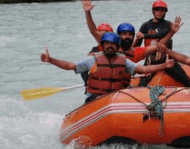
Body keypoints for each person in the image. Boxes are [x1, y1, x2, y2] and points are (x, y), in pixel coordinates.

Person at [40, 32, 174, 103]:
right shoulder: (92, 59)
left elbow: (143, 70)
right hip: (95, 98)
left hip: (116, 98)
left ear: (117, 47)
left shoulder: (123, 61)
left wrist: (164, 65)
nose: (110, 46)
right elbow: (70, 65)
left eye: (113, 44)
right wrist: (50, 60)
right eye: (107, 44)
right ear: (103, 46)